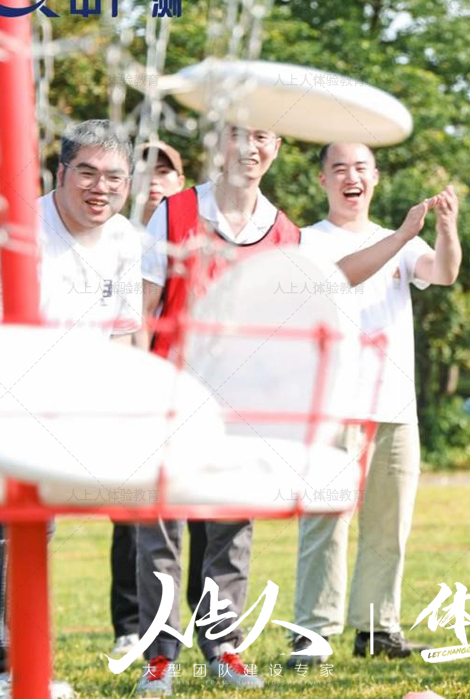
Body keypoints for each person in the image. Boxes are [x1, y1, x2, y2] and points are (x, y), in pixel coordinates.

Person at [0, 120, 144, 699]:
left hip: (76, 403)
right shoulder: (16, 235)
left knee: (5, 528)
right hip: (2, 391)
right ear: (60, 173)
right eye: (86, 172)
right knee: (6, 524)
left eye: (114, 177)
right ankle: (2, 669)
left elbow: (123, 335)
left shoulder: (125, 239)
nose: (100, 187)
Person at [134, 125, 303, 695]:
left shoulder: (285, 233)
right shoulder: (174, 212)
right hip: (170, 396)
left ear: (276, 146)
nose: (250, 147)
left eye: (262, 136)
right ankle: (160, 656)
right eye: (237, 134)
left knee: (233, 532)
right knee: (161, 531)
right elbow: (143, 310)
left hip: (245, 406)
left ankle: (223, 646)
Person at [288, 142, 460, 665]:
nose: (351, 177)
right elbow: (340, 276)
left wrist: (447, 228)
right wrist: (403, 235)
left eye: (361, 168)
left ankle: (377, 628)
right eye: (339, 168)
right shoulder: (307, 241)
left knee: (389, 525)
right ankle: (313, 635)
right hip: (332, 405)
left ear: (375, 177)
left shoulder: (401, 241)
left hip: (394, 405)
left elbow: (444, 272)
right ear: (323, 180)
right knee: (325, 523)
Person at [107, 139, 188, 660]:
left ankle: (194, 619)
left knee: (189, 508)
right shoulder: (113, 238)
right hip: (126, 382)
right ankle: (129, 623)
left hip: (183, 386)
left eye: (165, 171)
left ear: (181, 182)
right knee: (132, 511)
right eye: (145, 172)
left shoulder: (191, 234)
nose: (155, 180)